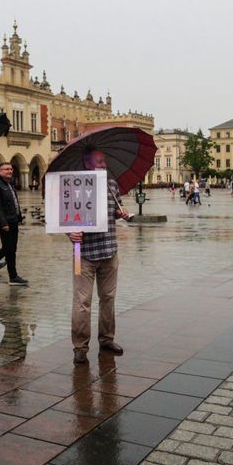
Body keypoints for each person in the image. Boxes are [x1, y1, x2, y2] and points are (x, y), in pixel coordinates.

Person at [67, 148, 133, 364]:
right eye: (99, 161)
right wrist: (69, 232)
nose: (104, 165)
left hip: (109, 250)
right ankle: (80, 347)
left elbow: (114, 208)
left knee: (108, 298)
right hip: (81, 253)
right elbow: (62, 215)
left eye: (104, 161)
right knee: (81, 301)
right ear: (87, 164)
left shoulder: (111, 184)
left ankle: (106, 339)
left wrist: (120, 212)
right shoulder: (75, 185)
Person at [0, 163, 27, 285]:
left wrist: (19, 217)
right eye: (6, 169)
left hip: (13, 220)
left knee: (12, 249)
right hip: (5, 222)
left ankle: (13, 276)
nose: (9, 171)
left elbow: (15, 202)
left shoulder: (9, 184)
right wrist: (3, 222)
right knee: (8, 248)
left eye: (11, 169)